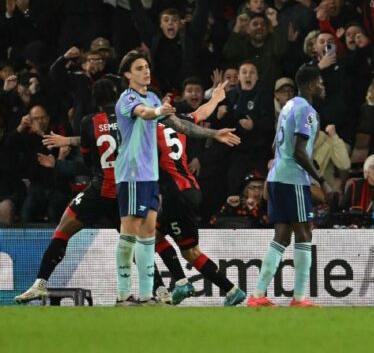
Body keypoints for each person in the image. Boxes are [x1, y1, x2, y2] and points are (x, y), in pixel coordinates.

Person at [113, 50, 237, 305]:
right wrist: (213, 104)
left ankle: (171, 288)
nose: (146, 71)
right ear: (127, 74)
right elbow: (188, 116)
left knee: (164, 243)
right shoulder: (130, 100)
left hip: (170, 188)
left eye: (147, 66)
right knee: (147, 236)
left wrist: (212, 132)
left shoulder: (159, 109)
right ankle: (139, 291)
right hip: (152, 180)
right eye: (139, 68)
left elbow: (185, 123)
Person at [15, 80, 121, 304]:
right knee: (135, 241)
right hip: (124, 193)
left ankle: (40, 284)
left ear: (95, 99)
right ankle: (159, 290)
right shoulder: (128, 120)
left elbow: (89, 158)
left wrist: (67, 145)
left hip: (99, 189)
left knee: (62, 231)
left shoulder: (89, 121)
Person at [153, 81, 246, 307]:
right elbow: (201, 113)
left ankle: (212, 287)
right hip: (189, 189)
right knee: (152, 235)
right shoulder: (180, 121)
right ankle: (225, 290)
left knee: (190, 252)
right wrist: (215, 98)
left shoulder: (147, 126)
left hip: (175, 193)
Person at [247, 64, 326, 307]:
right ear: (311, 84)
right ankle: (300, 298)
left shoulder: (288, 107)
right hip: (293, 179)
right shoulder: (307, 110)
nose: (323, 86)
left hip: (276, 176)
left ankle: (258, 294)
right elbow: (299, 151)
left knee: (282, 235)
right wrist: (318, 178)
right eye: (320, 82)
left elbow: (275, 147)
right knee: (304, 232)